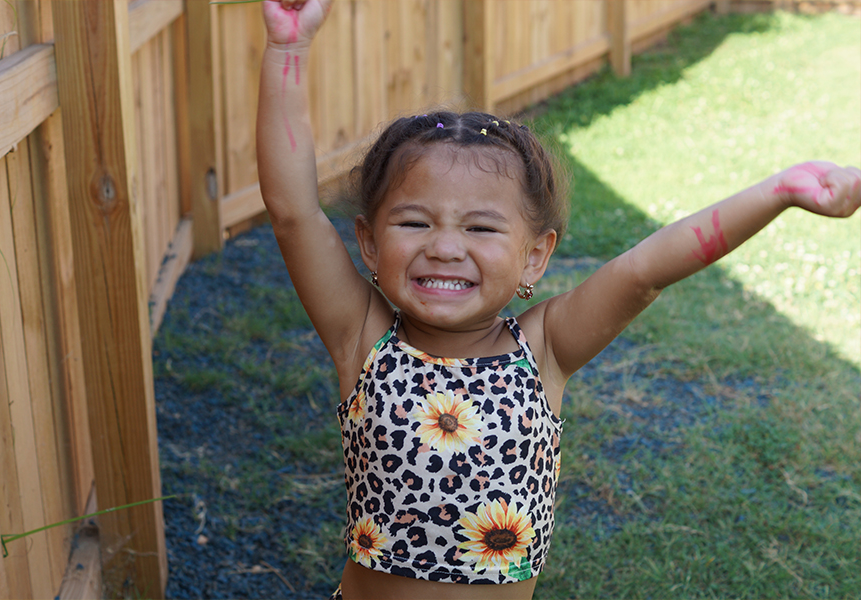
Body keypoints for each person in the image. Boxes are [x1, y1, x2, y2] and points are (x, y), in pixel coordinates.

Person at [255, 1, 861, 598]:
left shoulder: (543, 349)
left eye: (481, 228)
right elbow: (292, 213)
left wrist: (778, 191)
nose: (444, 247)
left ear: (534, 257)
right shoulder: (360, 336)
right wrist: (288, 50)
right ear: (367, 242)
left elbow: (645, 269)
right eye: (414, 222)